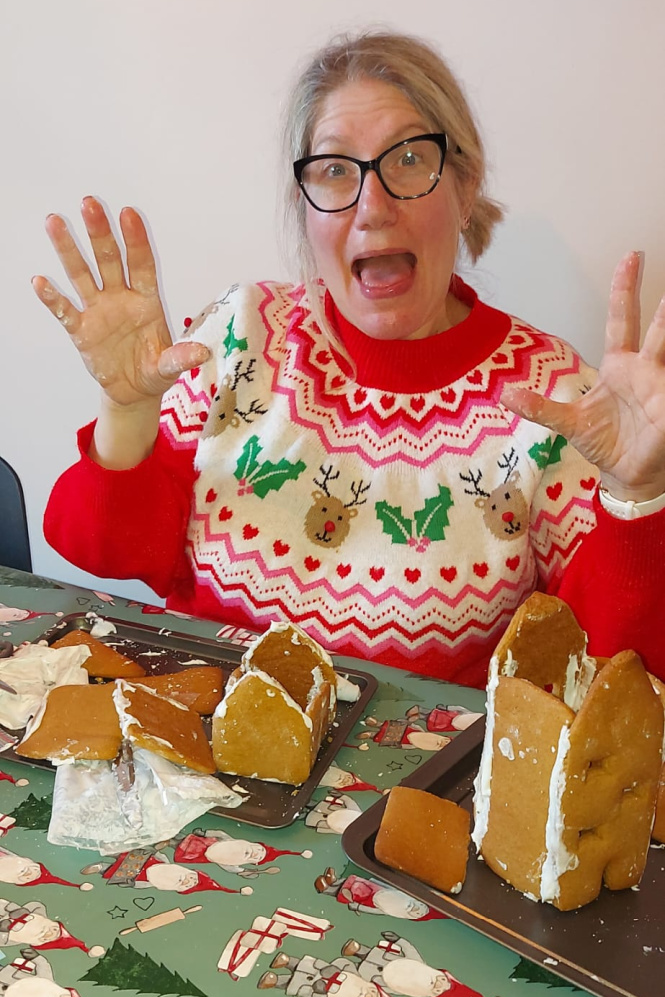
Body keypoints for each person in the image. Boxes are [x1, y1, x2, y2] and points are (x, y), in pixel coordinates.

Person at [35, 30, 665, 687]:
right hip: (205, 759)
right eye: (335, 170)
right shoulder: (241, 333)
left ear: (465, 182)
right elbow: (102, 550)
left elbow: (612, 672)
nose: (372, 207)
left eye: (408, 160)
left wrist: (637, 497)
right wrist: (127, 409)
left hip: (419, 781)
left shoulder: (555, 397)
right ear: (303, 203)